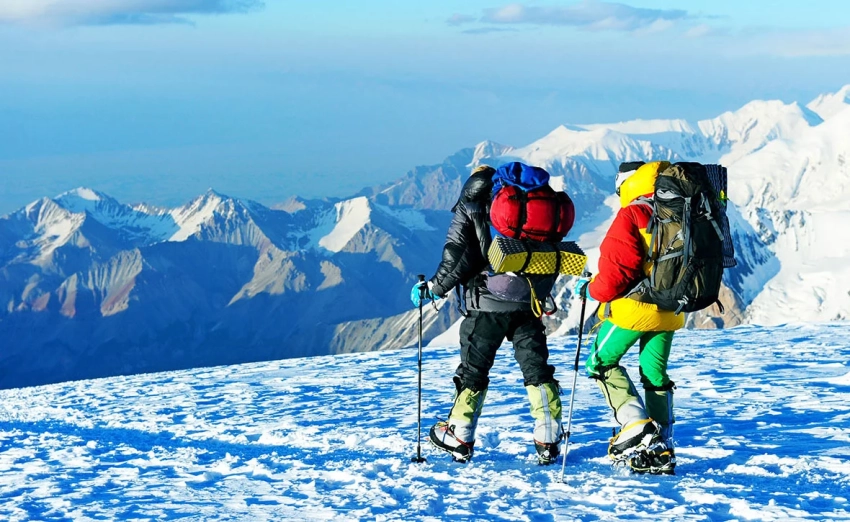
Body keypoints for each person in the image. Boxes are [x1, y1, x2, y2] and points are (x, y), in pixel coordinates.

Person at [411, 163, 573, 465]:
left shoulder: (472, 206)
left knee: (474, 368)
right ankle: (548, 436)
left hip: (486, 303)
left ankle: (459, 434)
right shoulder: (531, 204)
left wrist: (434, 288)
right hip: (530, 301)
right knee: (536, 366)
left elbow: (457, 256)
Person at [574, 160, 682, 475]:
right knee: (655, 375)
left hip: (635, 309)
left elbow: (615, 276)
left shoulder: (634, 213)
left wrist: (590, 289)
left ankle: (635, 425)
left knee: (599, 362)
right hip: (671, 310)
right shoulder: (683, 211)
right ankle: (662, 445)